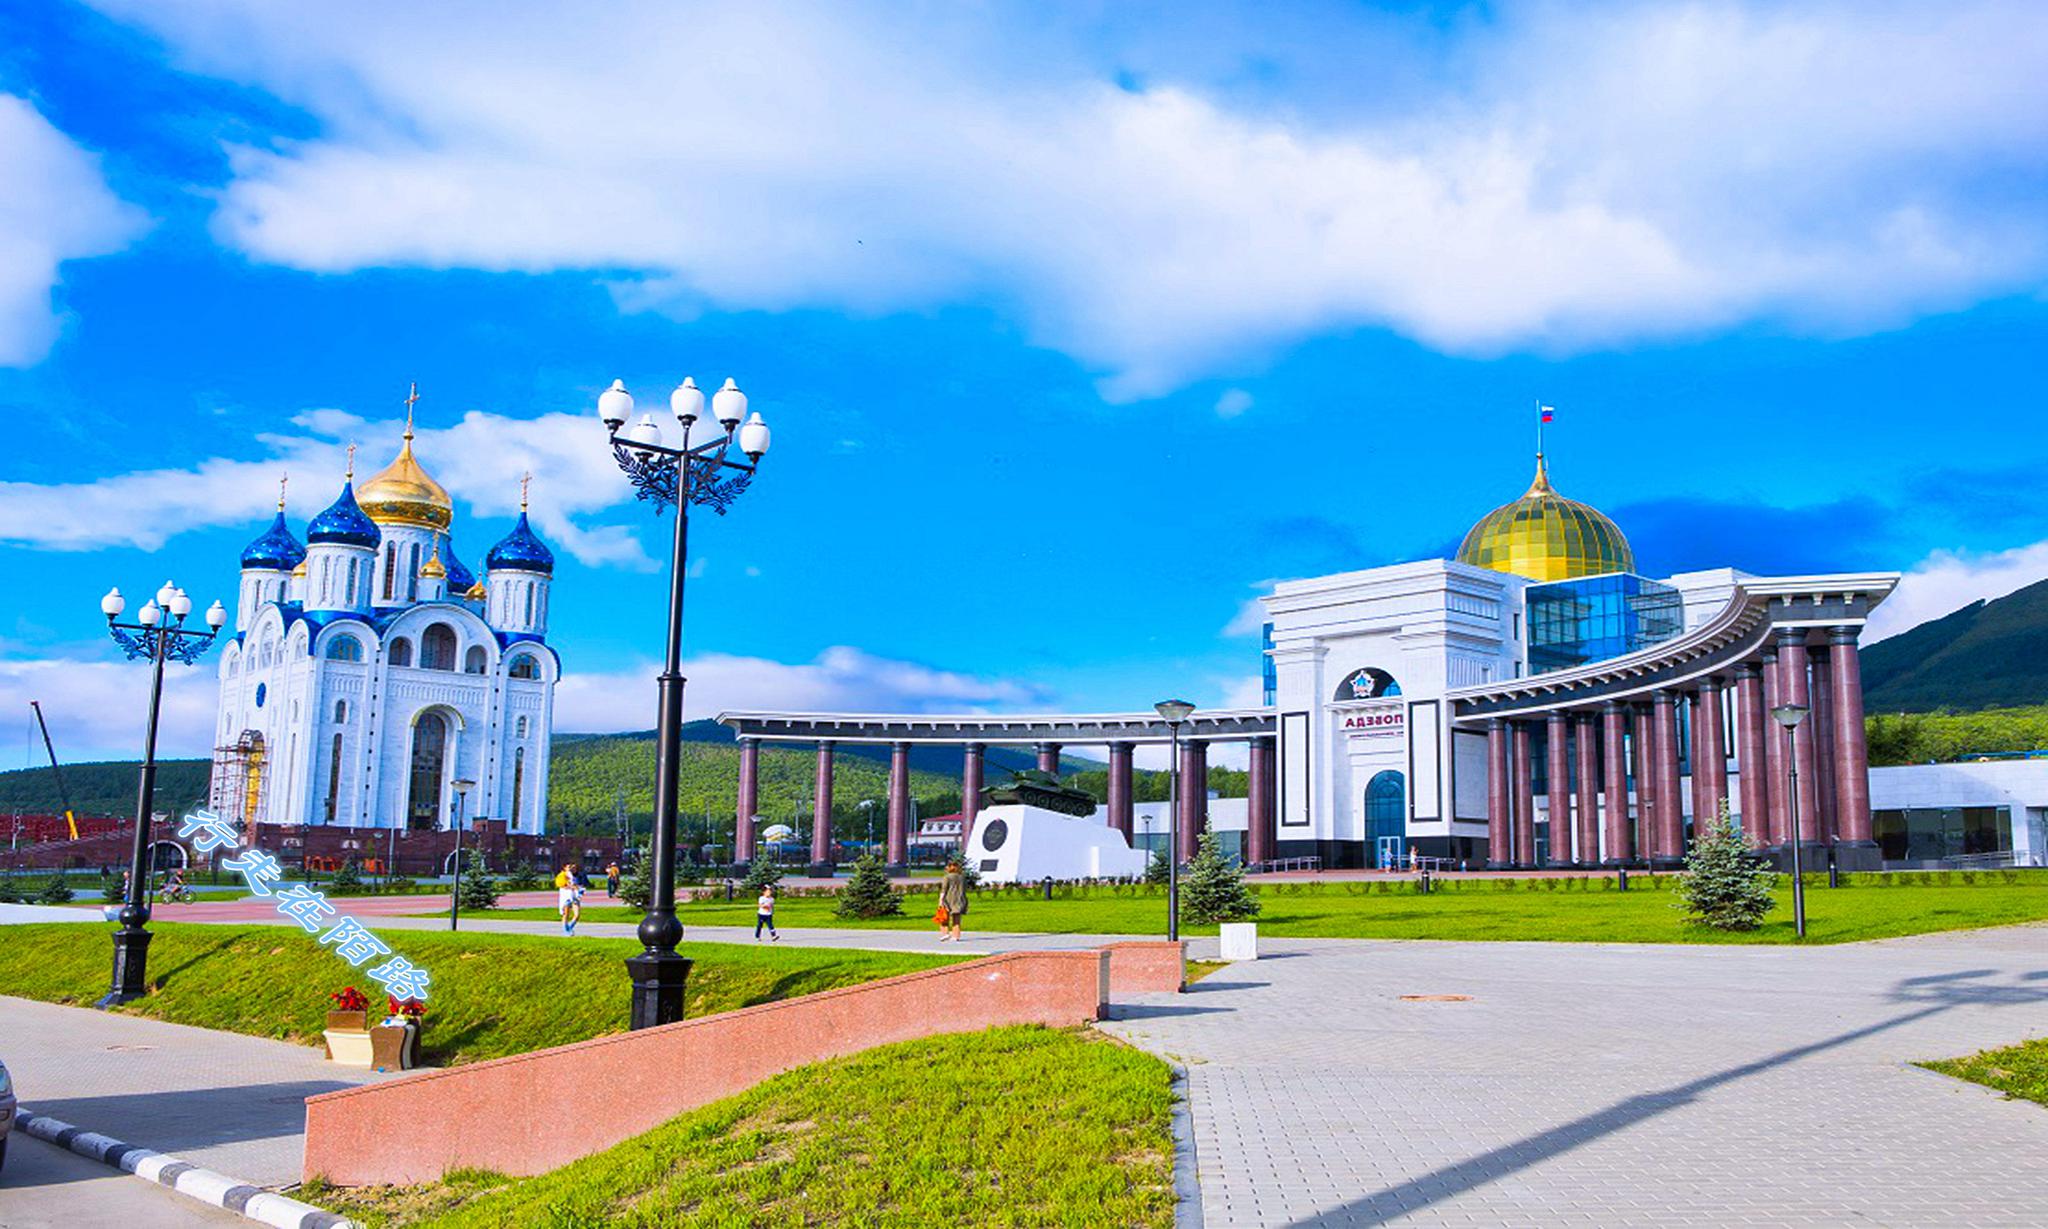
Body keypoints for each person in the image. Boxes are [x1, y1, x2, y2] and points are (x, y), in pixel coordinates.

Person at [939, 860, 968, 943]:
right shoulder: (962, 877)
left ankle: (945, 933)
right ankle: (956, 936)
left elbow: (944, 889)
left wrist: (941, 901)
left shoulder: (947, 877)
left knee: (943, 917)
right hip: (960, 899)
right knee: (957, 919)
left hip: (949, 899)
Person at [556, 862, 583, 936]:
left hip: (574, 897)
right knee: (566, 915)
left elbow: (576, 885)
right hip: (566, 897)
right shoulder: (561, 875)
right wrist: (574, 887)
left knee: (577, 915)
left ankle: (570, 928)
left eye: (571, 867)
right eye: (568, 867)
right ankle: (566, 930)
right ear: (564, 868)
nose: (570, 868)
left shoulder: (573, 876)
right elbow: (563, 885)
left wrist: (579, 889)